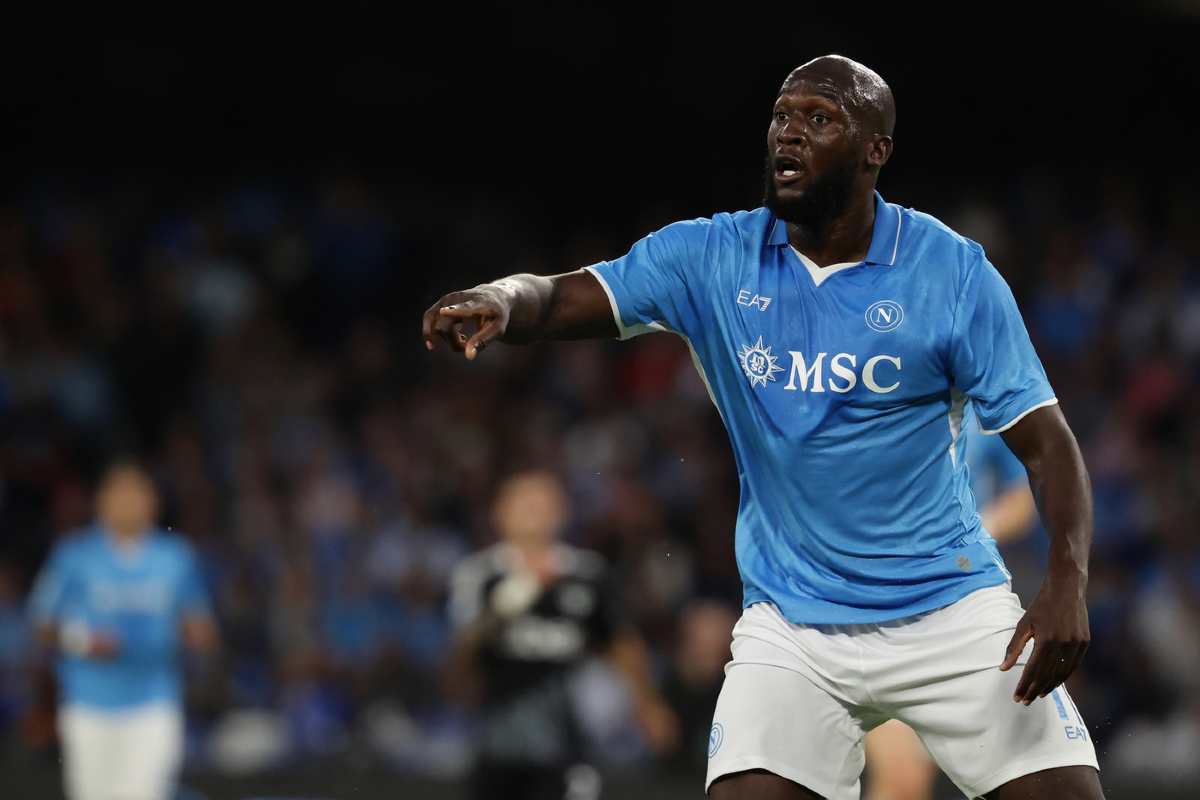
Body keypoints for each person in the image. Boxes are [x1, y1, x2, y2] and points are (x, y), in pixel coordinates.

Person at [422, 54, 1101, 800]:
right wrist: (500, 297)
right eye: (782, 116)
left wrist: (1066, 582)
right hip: (793, 625)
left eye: (820, 118)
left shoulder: (952, 273)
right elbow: (558, 297)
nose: (790, 133)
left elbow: (1049, 445)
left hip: (949, 610)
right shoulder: (711, 257)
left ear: (875, 150)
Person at [446, 470, 678, 800]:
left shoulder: (586, 574)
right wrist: (505, 605)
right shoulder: (480, 575)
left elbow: (619, 642)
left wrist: (648, 705)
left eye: (543, 503)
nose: (534, 511)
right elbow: (461, 651)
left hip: (568, 739)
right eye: (524, 502)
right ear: (499, 512)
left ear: (562, 512)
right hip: (497, 740)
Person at [864, 403, 1039, 800]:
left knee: (1004, 768)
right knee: (903, 780)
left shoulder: (984, 408)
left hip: (966, 605)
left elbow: (1022, 497)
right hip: (882, 604)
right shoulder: (876, 397)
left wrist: (974, 534)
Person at [28, 460, 217, 800]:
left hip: (153, 700)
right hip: (89, 701)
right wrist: (82, 641)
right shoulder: (75, 555)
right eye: (120, 495)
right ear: (101, 502)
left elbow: (200, 621)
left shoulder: (174, 557)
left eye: (137, 495)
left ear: (153, 502)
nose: (129, 504)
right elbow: (41, 623)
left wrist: (195, 635)